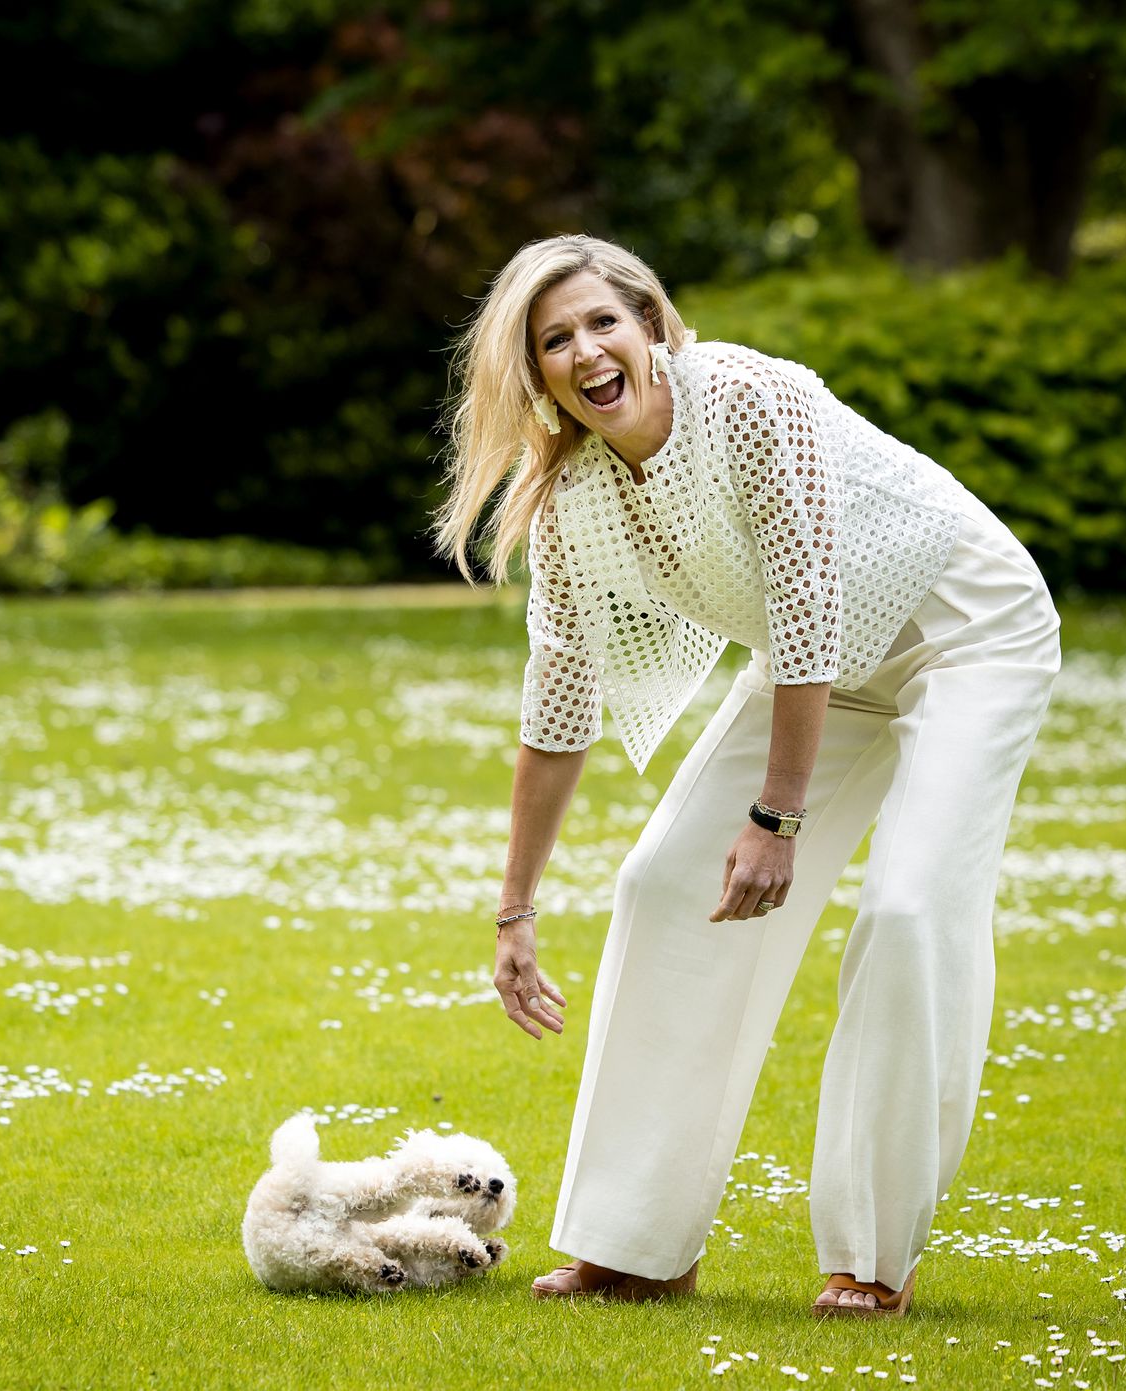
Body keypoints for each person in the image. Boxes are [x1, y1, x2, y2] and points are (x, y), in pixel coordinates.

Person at [431, 233, 1061, 1317]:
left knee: (909, 911)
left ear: (651, 325)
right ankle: (635, 1242)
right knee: (664, 882)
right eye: (554, 340)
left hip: (966, 627)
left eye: (602, 323)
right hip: (827, 663)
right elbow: (559, 705)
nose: (586, 351)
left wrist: (779, 815)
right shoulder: (574, 506)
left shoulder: (751, 396)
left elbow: (808, 601)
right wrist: (513, 908)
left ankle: (871, 1255)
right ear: (534, 374)